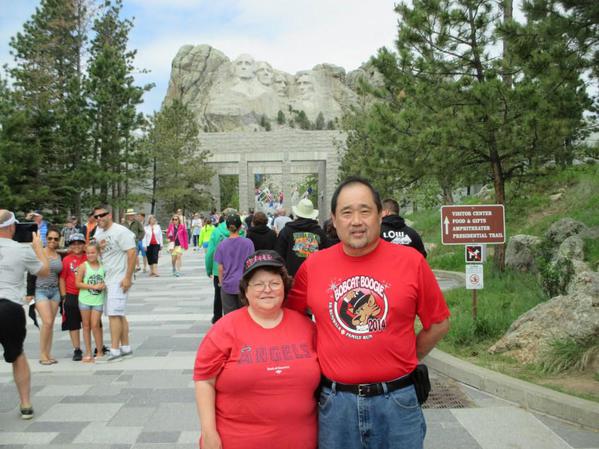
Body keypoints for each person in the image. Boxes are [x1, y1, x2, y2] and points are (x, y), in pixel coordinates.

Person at [286, 177, 450, 449]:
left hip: (398, 403)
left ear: (380, 215)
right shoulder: (314, 267)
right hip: (336, 405)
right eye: (346, 212)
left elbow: (439, 323)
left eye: (365, 211)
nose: (356, 221)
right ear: (334, 220)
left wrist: (408, 355)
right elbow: (291, 319)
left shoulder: (411, 262)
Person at [194, 250, 319, 449]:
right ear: (246, 290)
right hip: (237, 440)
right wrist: (209, 433)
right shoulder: (224, 329)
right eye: (258, 284)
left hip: (301, 440)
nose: (267, 290)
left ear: (284, 287)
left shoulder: (307, 328)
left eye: (274, 283)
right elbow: (204, 381)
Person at [0, 209, 49, 419]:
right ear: (12, 227)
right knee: (17, 354)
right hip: (9, 307)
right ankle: (25, 403)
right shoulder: (21, 250)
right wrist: (38, 249)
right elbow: (44, 271)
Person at [93, 205, 136, 362]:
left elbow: (132, 252)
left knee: (113, 314)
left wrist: (127, 277)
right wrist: (98, 248)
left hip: (119, 278)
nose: (99, 219)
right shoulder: (98, 232)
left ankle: (115, 350)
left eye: (102, 215)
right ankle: (125, 347)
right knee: (119, 314)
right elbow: (96, 251)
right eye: (96, 216)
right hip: (108, 277)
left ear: (109, 215)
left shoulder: (121, 231)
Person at [205, 208, 244, 324]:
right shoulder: (242, 232)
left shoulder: (216, 231)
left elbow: (211, 252)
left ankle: (217, 318)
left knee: (219, 295)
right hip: (239, 270)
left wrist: (209, 269)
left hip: (220, 270)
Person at [275, 198, 328, 277]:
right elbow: (326, 257)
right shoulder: (320, 233)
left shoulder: (286, 231)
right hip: (314, 277)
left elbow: (279, 255)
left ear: (297, 214)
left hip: (292, 278)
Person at [33, 227, 63, 364]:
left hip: (55, 291)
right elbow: (30, 272)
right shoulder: (39, 252)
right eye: (50, 238)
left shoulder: (59, 255)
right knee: (47, 322)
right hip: (41, 290)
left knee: (50, 324)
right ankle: (42, 354)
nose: (52, 241)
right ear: (46, 238)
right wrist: (29, 293)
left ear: (59, 240)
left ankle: (48, 353)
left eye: (55, 239)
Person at [214, 214, 255, 315]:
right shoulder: (248, 243)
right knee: (245, 316)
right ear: (240, 226)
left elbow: (220, 267)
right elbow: (252, 263)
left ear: (227, 227)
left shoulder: (222, 244)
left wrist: (221, 283)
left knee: (230, 317)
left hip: (228, 284)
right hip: (244, 284)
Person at [75, 242, 106, 363]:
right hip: (84, 299)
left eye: (93, 252)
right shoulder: (83, 266)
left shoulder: (103, 265)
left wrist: (103, 285)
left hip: (98, 300)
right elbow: (77, 283)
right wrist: (92, 286)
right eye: (88, 253)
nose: (90, 255)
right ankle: (88, 352)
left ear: (98, 253)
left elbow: (106, 279)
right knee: (86, 326)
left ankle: (99, 350)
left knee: (95, 325)